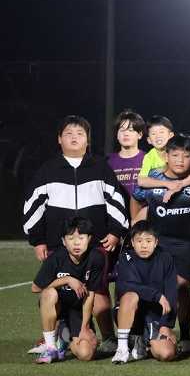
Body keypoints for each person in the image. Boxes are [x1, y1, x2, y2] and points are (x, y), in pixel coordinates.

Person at [23, 115, 128, 353]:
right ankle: (59, 335)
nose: (74, 138)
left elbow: (115, 200)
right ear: (59, 139)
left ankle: (108, 337)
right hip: (58, 244)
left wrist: (115, 231)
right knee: (56, 290)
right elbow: (33, 206)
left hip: (96, 243)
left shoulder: (100, 168)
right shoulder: (48, 170)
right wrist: (38, 240)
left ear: (87, 140)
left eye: (80, 134)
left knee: (98, 290)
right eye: (68, 134)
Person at [132, 133, 190, 353]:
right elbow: (137, 196)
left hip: (184, 245)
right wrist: (135, 228)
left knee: (181, 286)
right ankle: (148, 332)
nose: (180, 160)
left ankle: (185, 334)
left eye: (186, 156)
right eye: (175, 155)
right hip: (157, 244)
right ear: (166, 156)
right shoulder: (154, 175)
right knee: (153, 287)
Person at [30, 217, 106, 364]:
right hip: (58, 307)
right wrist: (67, 280)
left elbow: (90, 295)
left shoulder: (96, 258)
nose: (76, 243)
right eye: (71, 238)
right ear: (64, 241)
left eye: (81, 238)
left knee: (86, 354)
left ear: (89, 239)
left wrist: (84, 327)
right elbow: (35, 287)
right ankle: (51, 347)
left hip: (77, 310)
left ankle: (64, 340)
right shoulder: (56, 258)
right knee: (49, 293)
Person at [110, 221, 179, 364]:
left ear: (156, 242)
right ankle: (122, 348)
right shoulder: (125, 257)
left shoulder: (165, 258)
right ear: (132, 243)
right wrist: (156, 295)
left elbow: (171, 293)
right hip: (130, 312)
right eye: (139, 241)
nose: (144, 245)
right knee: (131, 295)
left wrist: (166, 325)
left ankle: (143, 343)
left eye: (148, 241)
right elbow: (125, 286)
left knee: (166, 354)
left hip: (154, 315)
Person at [136, 115, 190, 195]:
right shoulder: (149, 157)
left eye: (161, 132)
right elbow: (141, 181)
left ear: (171, 135)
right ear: (149, 140)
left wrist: (181, 184)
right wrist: (167, 184)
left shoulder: (181, 148)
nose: (158, 136)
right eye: (153, 133)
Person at [107, 109, 146, 220]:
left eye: (131, 130)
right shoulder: (107, 162)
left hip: (143, 221)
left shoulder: (148, 159)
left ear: (140, 135)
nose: (126, 133)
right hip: (116, 220)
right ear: (117, 135)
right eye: (122, 130)